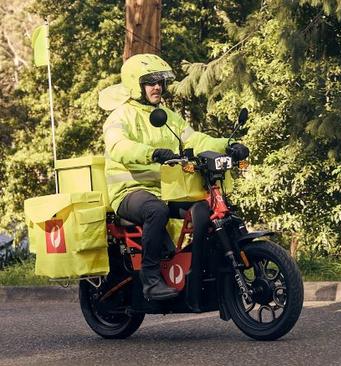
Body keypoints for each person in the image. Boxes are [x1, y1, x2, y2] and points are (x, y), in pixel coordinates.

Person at [99, 54, 249, 303]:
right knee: (155, 210)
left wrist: (228, 145)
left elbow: (197, 140)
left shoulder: (167, 116)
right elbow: (118, 146)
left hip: (167, 189)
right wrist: (152, 153)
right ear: (135, 84)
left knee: (203, 208)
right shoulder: (120, 116)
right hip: (128, 191)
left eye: (160, 82)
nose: (157, 87)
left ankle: (194, 272)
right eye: (150, 82)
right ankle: (151, 280)